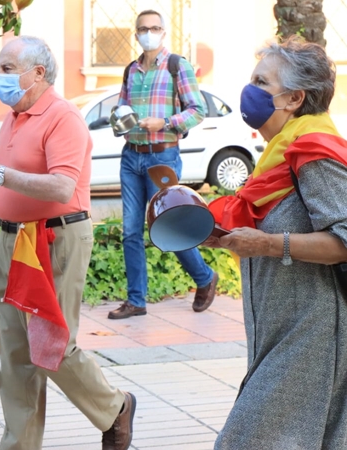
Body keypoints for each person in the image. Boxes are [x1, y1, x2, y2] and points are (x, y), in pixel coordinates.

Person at [0, 36, 136, 450]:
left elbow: (60, 186)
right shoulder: (13, 116)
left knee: (52, 344)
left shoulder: (64, 117)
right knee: (16, 354)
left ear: (37, 73)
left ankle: (115, 408)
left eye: (6, 68)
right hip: (12, 239)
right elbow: (16, 176)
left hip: (55, 237)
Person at [204, 37, 347, 449]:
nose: (250, 89)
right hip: (278, 332)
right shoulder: (277, 156)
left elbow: (345, 239)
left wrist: (268, 245)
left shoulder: (314, 151)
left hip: (314, 333)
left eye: (261, 82)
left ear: (294, 98)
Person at [108, 9, 219, 320]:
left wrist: (166, 121)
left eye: (154, 28)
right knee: (130, 231)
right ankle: (136, 301)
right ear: (136, 34)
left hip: (163, 155)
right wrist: (120, 120)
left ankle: (205, 277)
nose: (148, 33)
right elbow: (121, 107)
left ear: (163, 32)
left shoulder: (176, 66)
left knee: (167, 226)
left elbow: (198, 110)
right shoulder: (131, 70)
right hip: (131, 156)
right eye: (143, 28)